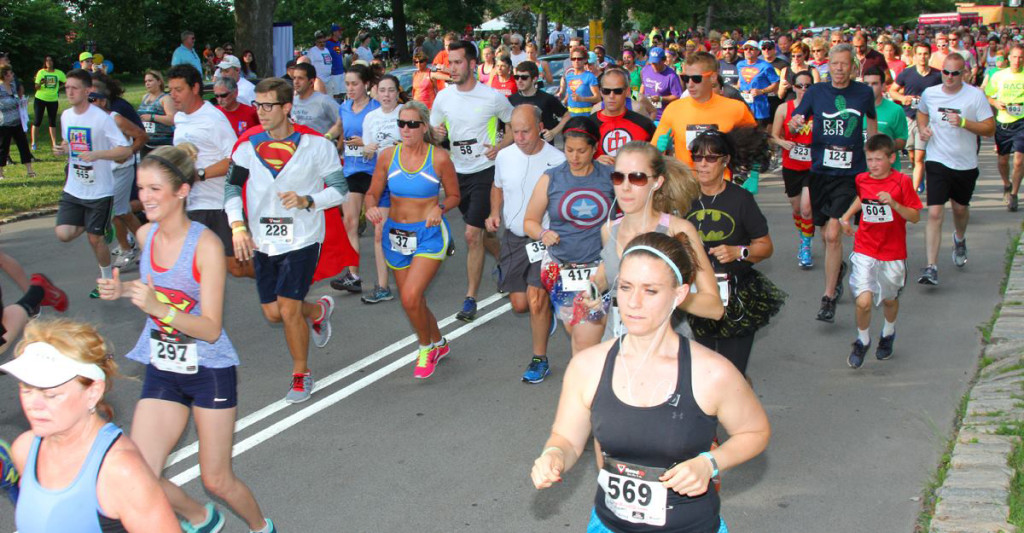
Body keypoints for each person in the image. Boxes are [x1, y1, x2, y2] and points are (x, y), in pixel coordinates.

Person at [530, 231, 771, 533]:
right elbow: (566, 439)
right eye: (627, 287)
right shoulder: (587, 367)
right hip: (609, 526)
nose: (634, 303)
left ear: (679, 295)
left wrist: (710, 463)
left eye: (651, 291)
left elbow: (755, 431)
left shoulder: (711, 372)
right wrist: (552, 456)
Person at [94, 143, 279, 533]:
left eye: (154, 189)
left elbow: (211, 327)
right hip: (163, 366)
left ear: (181, 191)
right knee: (140, 471)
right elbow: (153, 289)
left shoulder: (206, 246)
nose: (144, 198)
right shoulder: (145, 235)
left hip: (208, 368)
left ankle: (262, 527)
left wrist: (159, 309)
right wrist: (124, 291)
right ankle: (201, 517)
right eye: (141, 188)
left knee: (217, 479)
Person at [226, 78, 346, 402]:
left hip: (303, 238)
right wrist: (238, 227)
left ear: (287, 108)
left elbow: (339, 190)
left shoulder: (316, 145)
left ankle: (300, 374)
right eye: (257, 105)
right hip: (263, 239)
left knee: (288, 309)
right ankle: (317, 313)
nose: (261, 112)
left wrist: (309, 200)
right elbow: (231, 189)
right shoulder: (246, 146)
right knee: (273, 312)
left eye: (268, 106)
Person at [3, 319, 180, 533]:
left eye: (50, 394)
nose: (34, 405)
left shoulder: (120, 471)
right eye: (26, 390)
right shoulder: (26, 448)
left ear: (93, 392)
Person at [591, 141, 723, 346]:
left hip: (667, 353)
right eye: (618, 177)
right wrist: (591, 290)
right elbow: (607, 276)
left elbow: (714, 307)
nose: (625, 187)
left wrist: (667, 297)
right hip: (618, 347)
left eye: (637, 178)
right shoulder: (608, 230)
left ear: (657, 182)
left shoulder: (677, 230)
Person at [364, 101, 459, 378]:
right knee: (413, 301)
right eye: (401, 124)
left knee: (410, 296)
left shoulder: (439, 158)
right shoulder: (387, 156)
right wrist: (370, 206)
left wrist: (439, 208)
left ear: (424, 127)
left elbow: (454, 195)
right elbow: (372, 192)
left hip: (428, 235)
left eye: (412, 124)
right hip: (395, 235)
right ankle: (439, 343)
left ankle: (425, 347)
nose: (405, 129)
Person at [790, 43, 877, 323]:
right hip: (820, 172)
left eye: (844, 64)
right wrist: (795, 122)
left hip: (851, 174)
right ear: (828, 66)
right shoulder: (817, 91)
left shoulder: (862, 93)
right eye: (834, 64)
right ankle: (837, 271)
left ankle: (828, 298)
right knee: (825, 231)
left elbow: (871, 121)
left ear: (853, 66)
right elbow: (800, 114)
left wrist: (872, 154)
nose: (839, 69)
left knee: (832, 234)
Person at [685, 129, 784, 375]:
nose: (703, 164)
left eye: (710, 158)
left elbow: (765, 246)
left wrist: (738, 252)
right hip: (695, 293)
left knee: (732, 372)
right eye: (697, 158)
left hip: (736, 294)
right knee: (700, 372)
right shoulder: (684, 198)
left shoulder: (741, 199)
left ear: (725, 161)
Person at [430, 40, 514, 322]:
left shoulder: (491, 97)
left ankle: (470, 299)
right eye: (449, 63)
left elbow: (515, 123)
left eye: (457, 62)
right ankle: (507, 261)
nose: (451, 68)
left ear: (472, 64)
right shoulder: (443, 98)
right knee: (483, 233)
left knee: (471, 234)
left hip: (485, 171)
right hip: (456, 173)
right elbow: (435, 132)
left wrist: (501, 146)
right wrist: (437, 135)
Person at [486, 105, 564, 382]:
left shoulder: (557, 160)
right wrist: (495, 213)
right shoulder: (505, 156)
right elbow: (497, 186)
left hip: (545, 241)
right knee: (520, 304)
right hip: (514, 239)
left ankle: (539, 359)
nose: (519, 137)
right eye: (515, 131)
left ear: (540, 126)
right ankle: (547, 309)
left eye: (525, 131)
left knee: (535, 297)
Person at [523, 117, 613, 355]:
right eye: (569, 150)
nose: (574, 157)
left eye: (581, 151)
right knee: (579, 333)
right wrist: (543, 233)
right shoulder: (551, 178)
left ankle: (591, 383)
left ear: (595, 149)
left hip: (601, 267)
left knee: (588, 338)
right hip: (560, 267)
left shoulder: (610, 177)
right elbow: (529, 222)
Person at [839, 134, 922, 368]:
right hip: (865, 246)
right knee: (863, 301)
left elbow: (915, 216)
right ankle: (862, 340)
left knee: (888, 299)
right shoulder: (862, 179)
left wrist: (894, 204)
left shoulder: (902, 182)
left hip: (893, 252)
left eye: (878, 159)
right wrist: (846, 217)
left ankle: (888, 332)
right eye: (869, 159)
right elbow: (861, 197)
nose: (873, 165)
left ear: (891, 158)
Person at [916, 54, 995, 286]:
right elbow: (922, 112)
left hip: (965, 163)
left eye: (955, 73)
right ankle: (931, 266)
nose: (949, 77)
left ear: (965, 74)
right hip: (937, 159)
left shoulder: (975, 96)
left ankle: (959, 238)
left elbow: (989, 129)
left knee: (960, 210)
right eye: (946, 72)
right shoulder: (931, 93)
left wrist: (963, 122)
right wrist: (922, 128)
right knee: (934, 213)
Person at [53, 69, 131, 296]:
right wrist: (64, 148)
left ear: (88, 91)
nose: (69, 92)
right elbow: (71, 144)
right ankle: (101, 223)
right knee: (63, 234)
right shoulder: (66, 116)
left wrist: (98, 154)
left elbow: (124, 150)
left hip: (99, 191)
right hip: (75, 187)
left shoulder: (102, 119)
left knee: (95, 239)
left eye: (74, 88)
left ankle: (107, 281)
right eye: (66, 88)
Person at [168, 64, 247, 279]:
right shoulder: (180, 118)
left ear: (195, 88)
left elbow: (235, 159)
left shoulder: (214, 119)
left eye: (178, 90)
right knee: (192, 266)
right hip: (192, 204)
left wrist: (199, 175)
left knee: (237, 267)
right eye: (171, 90)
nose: (173, 95)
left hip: (217, 203)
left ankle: (282, 285)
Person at [652, 52, 757, 171]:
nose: (690, 85)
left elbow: (756, 145)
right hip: (687, 185)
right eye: (686, 78)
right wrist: (660, 150)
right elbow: (653, 152)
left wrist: (754, 174)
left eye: (696, 79)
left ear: (713, 77)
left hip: (723, 184)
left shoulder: (737, 108)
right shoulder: (673, 109)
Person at [329, 64, 380, 295]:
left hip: (376, 171)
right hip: (351, 171)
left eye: (354, 84)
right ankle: (354, 276)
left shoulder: (376, 108)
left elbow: (387, 139)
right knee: (349, 223)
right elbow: (339, 127)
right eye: (347, 84)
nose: (349, 88)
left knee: (382, 225)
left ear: (366, 84)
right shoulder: (344, 107)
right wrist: (326, 137)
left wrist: (366, 144)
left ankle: (393, 272)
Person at [88, 79, 148, 272]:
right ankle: (142, 248)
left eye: (93, 99)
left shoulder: (115, 118)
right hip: (105, 172)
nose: (89, 103)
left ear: (103, 101)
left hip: (121, 171)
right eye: (86, 99)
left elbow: (141, 135)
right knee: (121, 213)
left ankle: (128, 249)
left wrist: (129, 152)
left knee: (116, 212)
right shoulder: (89, 121)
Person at [359, 75, 403, 304]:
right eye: (382, 90)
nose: (386, 95)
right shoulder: (370, 118)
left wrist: (404, 147)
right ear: (376, 93)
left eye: (391, 90)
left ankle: (414, 275)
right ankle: (383, 286)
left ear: (398, 92)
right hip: (382, 179)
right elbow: (367, 153)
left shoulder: (406, 113)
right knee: (379, 232)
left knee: (408, 230)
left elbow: (423, 144)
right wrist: (367, 148)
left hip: (407, 179)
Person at [771, 70, 816, 268]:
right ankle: (804, 234)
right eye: (800, 86)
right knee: (797, 207)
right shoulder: (783, 108)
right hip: (791, 165)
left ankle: (805, 246)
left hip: (813, 167)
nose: (804, 90)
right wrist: (783, 142)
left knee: (807, 208)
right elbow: (773, 136)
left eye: (808, 86)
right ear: (793, 87)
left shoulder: (819, 109)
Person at [890, 42, 942, 193]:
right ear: (914, 56)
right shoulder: (907, 73)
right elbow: (893, 91)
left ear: (929, 55)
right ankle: (919, 178)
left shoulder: (937, 75)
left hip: (926, 120)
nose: (922, 57)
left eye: (925, 54)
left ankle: (912, 193)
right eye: (919, 54)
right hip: (909, 118)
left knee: (919, 157)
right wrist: (903, 97)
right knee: (912, 157)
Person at [986, 43, 1024, 209]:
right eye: (1014, 57)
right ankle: (1006, 184)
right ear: (1009, 58)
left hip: (1021, 121)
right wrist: (995, 102)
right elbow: (987, 94)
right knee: (1003, 160)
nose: (1017, 60)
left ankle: (1014, 194)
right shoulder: (999, 76)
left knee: (1018, 161)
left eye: (1021, 57)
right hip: (1003, 122)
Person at [591, 68, 656, 164]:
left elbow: (652, 110)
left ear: (627, 91)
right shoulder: (591, 122)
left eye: (618, 91)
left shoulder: (638, 103)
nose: (611, 96)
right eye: (606, 91)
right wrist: (593, 162)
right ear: (601, 92)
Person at [508, 61, 569, 142]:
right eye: (516, 77)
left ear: (534, 79)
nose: (519, 80)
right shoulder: (511, 100)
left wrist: (553, 132)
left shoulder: (547, 98)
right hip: (520, 148)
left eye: (524, 77)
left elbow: (567, 115)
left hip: (544, 148)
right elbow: (507, 125)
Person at [863, 68, 908, 173]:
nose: (869, 87)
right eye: (866, 84)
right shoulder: (855, 109)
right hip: (861, 172)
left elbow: (902, 142)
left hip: (888, 174)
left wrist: (884, 141)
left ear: (883, 86)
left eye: (874, 84)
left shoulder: (896, 110)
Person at [290, 63, 343, 139]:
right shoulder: (292, 101)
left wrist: (338, 144)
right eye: (294, 78)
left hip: (320, 148)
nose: (296, 82)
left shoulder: (324, 101)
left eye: (300, 78)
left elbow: (344, 121)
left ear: (311, 82)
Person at [0, 66, 35, 180]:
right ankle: (0, 173)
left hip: (17, 121)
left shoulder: (13, 86)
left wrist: (21, 102)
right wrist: (14, 102)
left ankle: (30, 171)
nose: (12, 75)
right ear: (5, 75)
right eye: (10, 73)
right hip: (4, 123)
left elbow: (16, 98)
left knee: (23, 145)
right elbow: (4, 103)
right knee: (3, 148)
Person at [736, 40, 780, 126]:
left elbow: (776, 84)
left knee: (759, 135)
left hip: (760, 108)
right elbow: (740, 81)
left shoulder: (766, 66)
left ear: (758, 51)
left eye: (751, 49)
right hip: (744, 106)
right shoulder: (740, 65)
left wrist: (761, 91)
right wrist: (741, 90)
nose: (748, 51)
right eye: (745, 49)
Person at [640, 47, 683, 121]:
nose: (654, 66)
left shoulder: (671, 76)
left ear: (664, 60)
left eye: (657, 63)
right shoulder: (645, 70)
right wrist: (639, 97)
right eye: (652, 63)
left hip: (662, 117)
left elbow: (677, 96)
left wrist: (661, 99)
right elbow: (643, 85)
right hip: (646, 114)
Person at [31, 55, 64, 151]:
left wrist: (59, 88)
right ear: (45, 63)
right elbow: (36, 87)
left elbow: (66, 81)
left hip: (53, 100)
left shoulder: (59, 73)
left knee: (52, 122)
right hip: (40, 99)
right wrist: (41, 83)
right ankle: (33, 142)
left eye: (50, 60)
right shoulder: (41, 72)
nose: (49, 62)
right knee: (37, 121)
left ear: (54, 62)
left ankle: (54, 143)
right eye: (47, 61)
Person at [138, 70, 175, 149]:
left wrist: (152, 117)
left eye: (150, 81)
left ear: (159, 82)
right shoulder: (145, 97)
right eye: (146, 81)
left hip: (162, 142)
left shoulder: (165, 98)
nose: (147, 84)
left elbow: (172, 119)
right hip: (145, 141)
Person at [562, 46, 601, 117]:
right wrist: (563, 101)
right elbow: (569, 94)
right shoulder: (568, 76)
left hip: (585, 117)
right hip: (571, 118)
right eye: (573, 59)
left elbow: (598, 98)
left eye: (579, 58)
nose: (576, 61)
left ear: (585, 60)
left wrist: (582, 99)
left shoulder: (590, 76)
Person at [325, 24, 347, 101]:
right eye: (339, 31)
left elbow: (338, 54)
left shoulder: (337, 43)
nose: (341, 32)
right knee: (335, 94)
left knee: (343, 92)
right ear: (334, 32)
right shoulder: (328, 43)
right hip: (334, 73)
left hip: (341, 71)